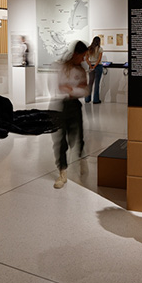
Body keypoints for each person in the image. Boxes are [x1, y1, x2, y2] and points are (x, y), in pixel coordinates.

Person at [53, 40, 88, 189]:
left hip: (75, 106)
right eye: (82, 56)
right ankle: (62, 172)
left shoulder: (81, 70)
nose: (84, 59)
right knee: (61, 141)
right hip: (64, 106)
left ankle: (81, 158)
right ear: (76, 54)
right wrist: (75, 89)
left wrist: (72, 89)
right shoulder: (64, 68)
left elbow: (85, 90)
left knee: (78, 137)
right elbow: (61, 87)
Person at [84, 35, 104, 104]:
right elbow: (99, 59)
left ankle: (87, 99)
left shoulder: (89, 49)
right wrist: (95, 66)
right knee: (97, 83)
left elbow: (86, 59)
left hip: (91, 66)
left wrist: (91, 66)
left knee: (90, 83)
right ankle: (96, 100)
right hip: (98, 66)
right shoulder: (100, 49)